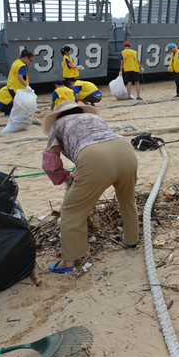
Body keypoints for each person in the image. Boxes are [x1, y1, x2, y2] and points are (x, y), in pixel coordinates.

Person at [42, 101, 139, 274]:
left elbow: (50, 160)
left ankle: (68, 262)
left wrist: (63, 176)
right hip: (125, 150)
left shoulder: (57, 125)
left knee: (71, 210)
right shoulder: (92, 117)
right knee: (127, 199)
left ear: (58, 115)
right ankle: (132, 239)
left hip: (93, 157)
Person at [0, 49, 34, 115]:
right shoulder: (22, 66)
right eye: (30, 60)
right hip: (17, 88)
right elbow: (20, 78)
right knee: (19, 105)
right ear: (26, 58)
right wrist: (27, 86)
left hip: (11, 86)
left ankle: (9, 112)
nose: (30, 62)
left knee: (16, 103)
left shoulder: (16, 62)